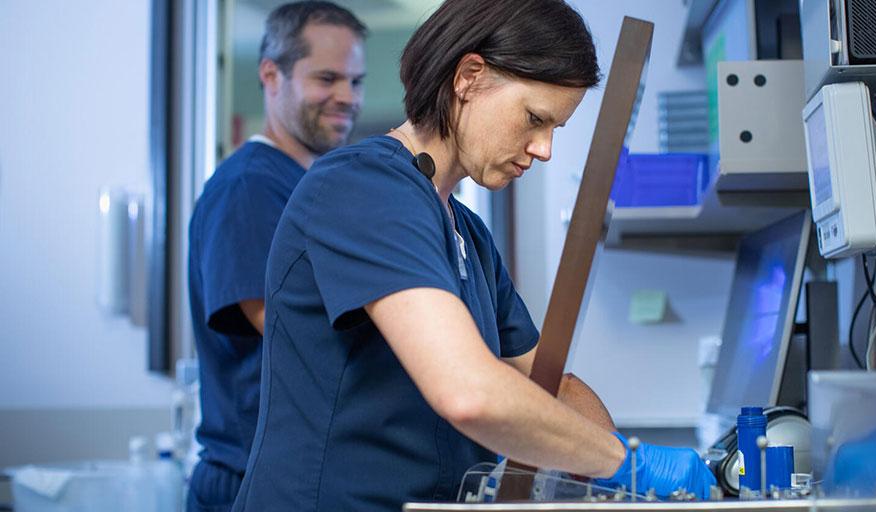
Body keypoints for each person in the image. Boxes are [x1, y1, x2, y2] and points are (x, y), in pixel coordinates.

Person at [231, 1, 716, 510]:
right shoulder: (362, 188)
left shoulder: (468, 233)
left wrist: (625, 475)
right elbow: (467, 391)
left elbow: (553, 385)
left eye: (555, 130)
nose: (544, 148)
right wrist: (626, 465)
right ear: (468, 77)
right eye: (534, 118)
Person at [186, 2, 366, 511]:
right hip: (252, 485)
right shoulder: (249, 189)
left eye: (356, 81)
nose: (346, 98)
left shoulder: (310, 188)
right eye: (327, 78)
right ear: (271, 75)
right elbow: (298, 329)